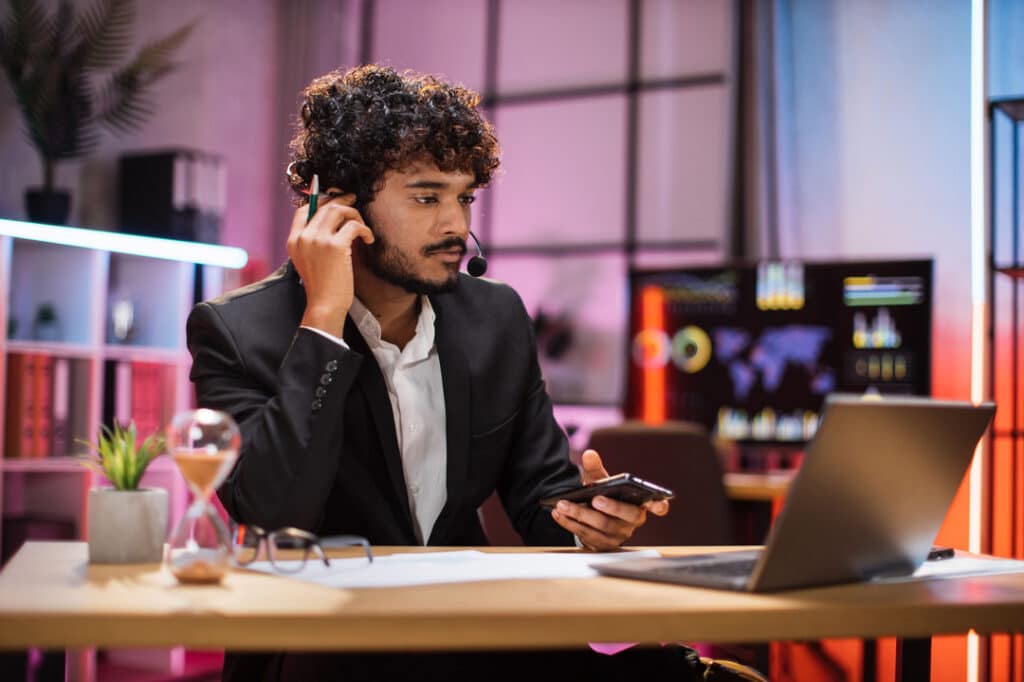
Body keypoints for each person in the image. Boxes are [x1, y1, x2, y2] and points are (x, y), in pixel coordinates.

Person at [186, 65, 759, 682]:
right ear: (336, 204)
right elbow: (274, 510)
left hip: (472, 632)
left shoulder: (494, 316)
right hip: (324, 641)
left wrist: (586, 526)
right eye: (427, 197)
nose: (456, 226)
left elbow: (541, 497)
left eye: (464, 197)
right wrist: (322, 317)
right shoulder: (239, 331)